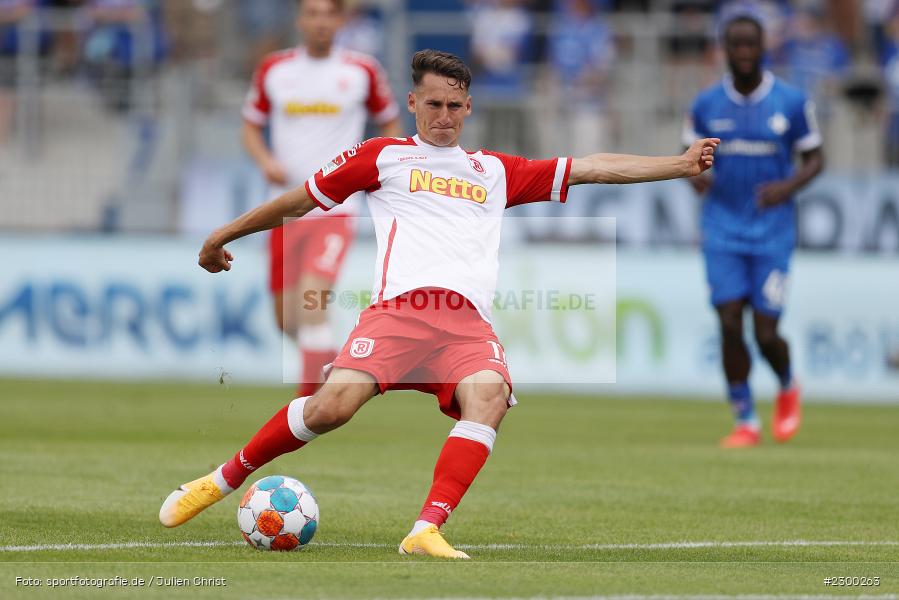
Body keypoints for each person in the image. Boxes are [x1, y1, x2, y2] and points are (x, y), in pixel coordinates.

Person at [160, 49, 718, 558]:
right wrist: (222, 236)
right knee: (330, 408)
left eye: (454, 105)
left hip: (465, 325)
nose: (444, 116)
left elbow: (592, 167)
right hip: (399, 313)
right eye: (433, 104)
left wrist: (678, 164)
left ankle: (426, 528)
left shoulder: (494, 171)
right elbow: (301, 199)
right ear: (412, 103)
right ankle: (220, 482)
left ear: (469, 107)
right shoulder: (382, 157)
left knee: (490, 397)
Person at [241, 0, 401, 398]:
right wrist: (265, 160)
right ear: (300, 19)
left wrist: (379, 168)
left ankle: (305, 410)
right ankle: (336, 367)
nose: (319, 22)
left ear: (341, 20)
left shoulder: (361, 71)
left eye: (328, 14)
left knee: (312, 305)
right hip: (283, 209)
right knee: (286, 320)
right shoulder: (274, 70)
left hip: (336, 208)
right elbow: (249, 126)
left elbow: (391, 122)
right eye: (311, 14)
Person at [682, 11, 823, 449]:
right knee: (728, 323)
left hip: (772, 232)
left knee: (765, 332)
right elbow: (686, 155)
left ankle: (786, 382)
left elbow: (816, 158)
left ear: (764, 49)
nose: (744, 53)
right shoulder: (706, 104)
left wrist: (787, 187)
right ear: (726, 50)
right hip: (722, 229)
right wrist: (695, 175)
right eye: (736, 45)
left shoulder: (792, 102)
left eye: (751, 45)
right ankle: (745, 419)